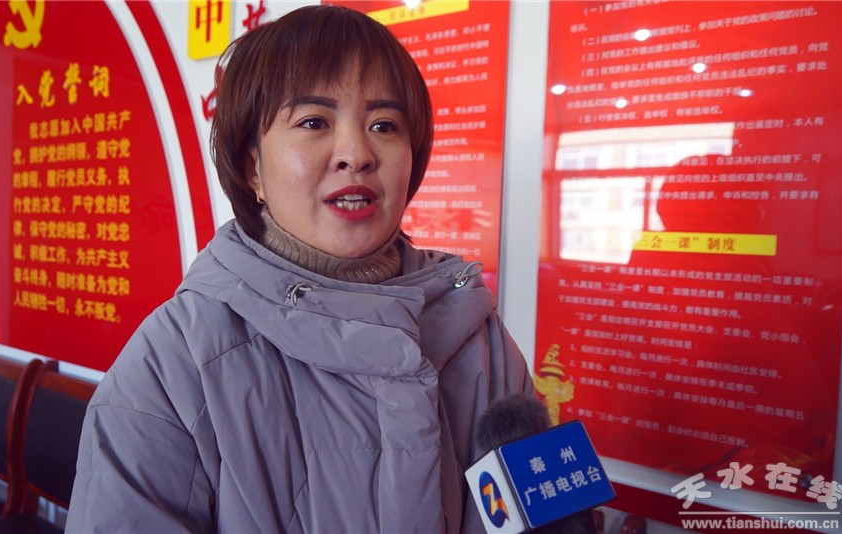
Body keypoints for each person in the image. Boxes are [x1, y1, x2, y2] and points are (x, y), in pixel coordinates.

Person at [66, 5, 533, 532]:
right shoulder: (174, 363)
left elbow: (548, 510)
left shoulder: (480, 335)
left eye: (384, 125)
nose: (356, 154)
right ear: (253, 168)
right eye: (314, 122)